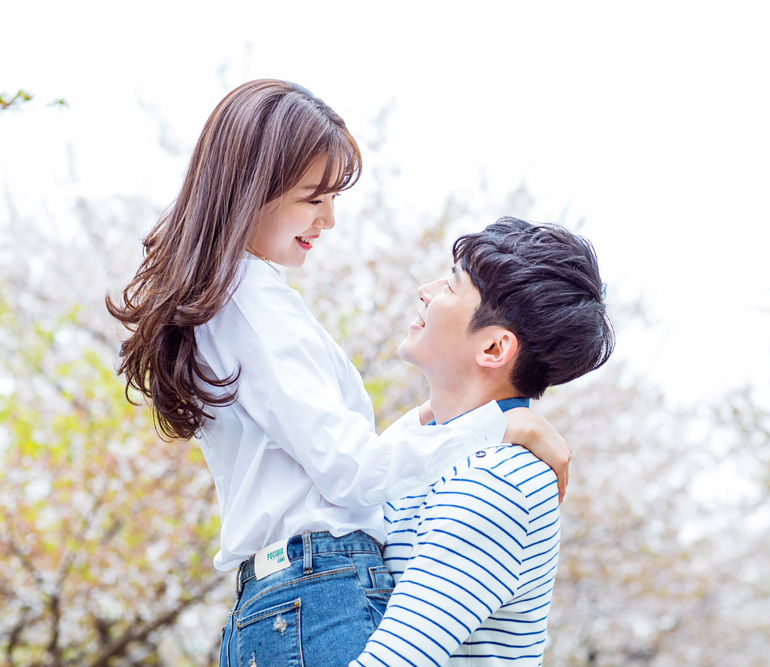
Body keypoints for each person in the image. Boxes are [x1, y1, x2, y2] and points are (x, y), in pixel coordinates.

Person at [105, 80, 571, 667]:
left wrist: (436, 418)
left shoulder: (234, 301)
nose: (328, 219)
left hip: (277, 602)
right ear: (252, 190)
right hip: (316, 594)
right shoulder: (255, 305)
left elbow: (329, 470)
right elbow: (353, 475)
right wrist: (498, 426)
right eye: (313, 198)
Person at [350, 217, 614, 666]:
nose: (425, 291)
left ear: (494, 349)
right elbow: (357, 476)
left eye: (451, 286)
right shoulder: (434, 451)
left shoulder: (498, 481)